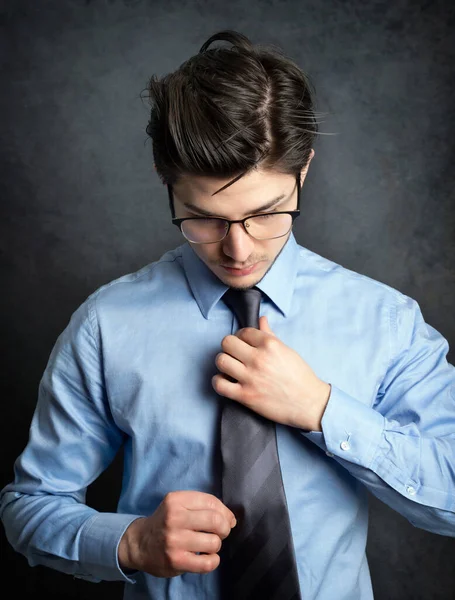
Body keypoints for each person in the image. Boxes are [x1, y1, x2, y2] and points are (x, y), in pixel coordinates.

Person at [1, 28, 454, 600]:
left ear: (304, 172)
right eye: (204, 219)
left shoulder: (385, 321)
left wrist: (321, 409)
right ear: (166, 183)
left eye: (266, 214)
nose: (238, 249)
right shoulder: (106, 327)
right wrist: (132, 543)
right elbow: (30, 507)